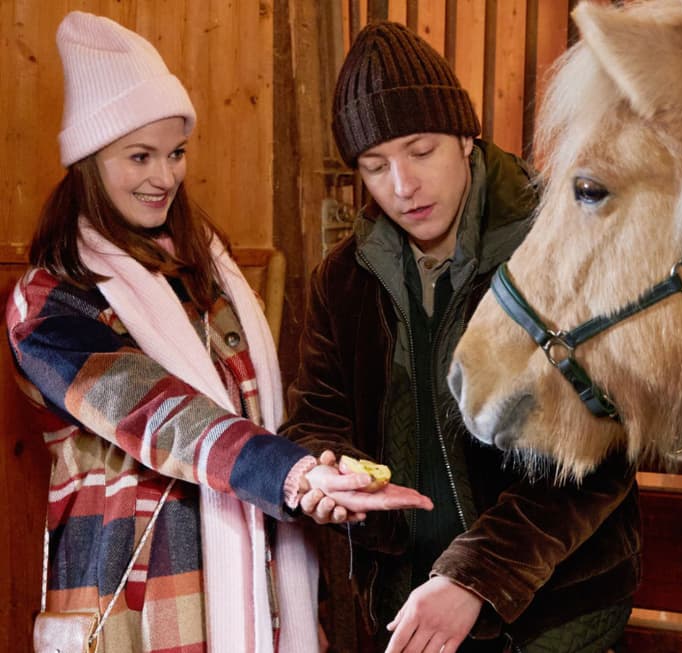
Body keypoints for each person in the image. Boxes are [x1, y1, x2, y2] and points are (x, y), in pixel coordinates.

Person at [6, 12, 432, 653]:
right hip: (134, 595)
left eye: (175, 153)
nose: (164, 177)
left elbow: (260, 411)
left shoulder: (207, 272)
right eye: (139, 156)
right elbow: (160, 415)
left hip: (247, 581)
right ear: (90, 163)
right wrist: (292, 476)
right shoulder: (49, 304)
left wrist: (322, 475)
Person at [281, 21, 641, 653]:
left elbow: (597, 453)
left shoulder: (554, 244)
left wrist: (477, 579)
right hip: (404, 609)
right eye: (374, 166)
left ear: (466, 134)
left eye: (420, 151)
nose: (402, 186)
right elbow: (317, 415)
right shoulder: (343, 278)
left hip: (553, 620)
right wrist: (326, 472)